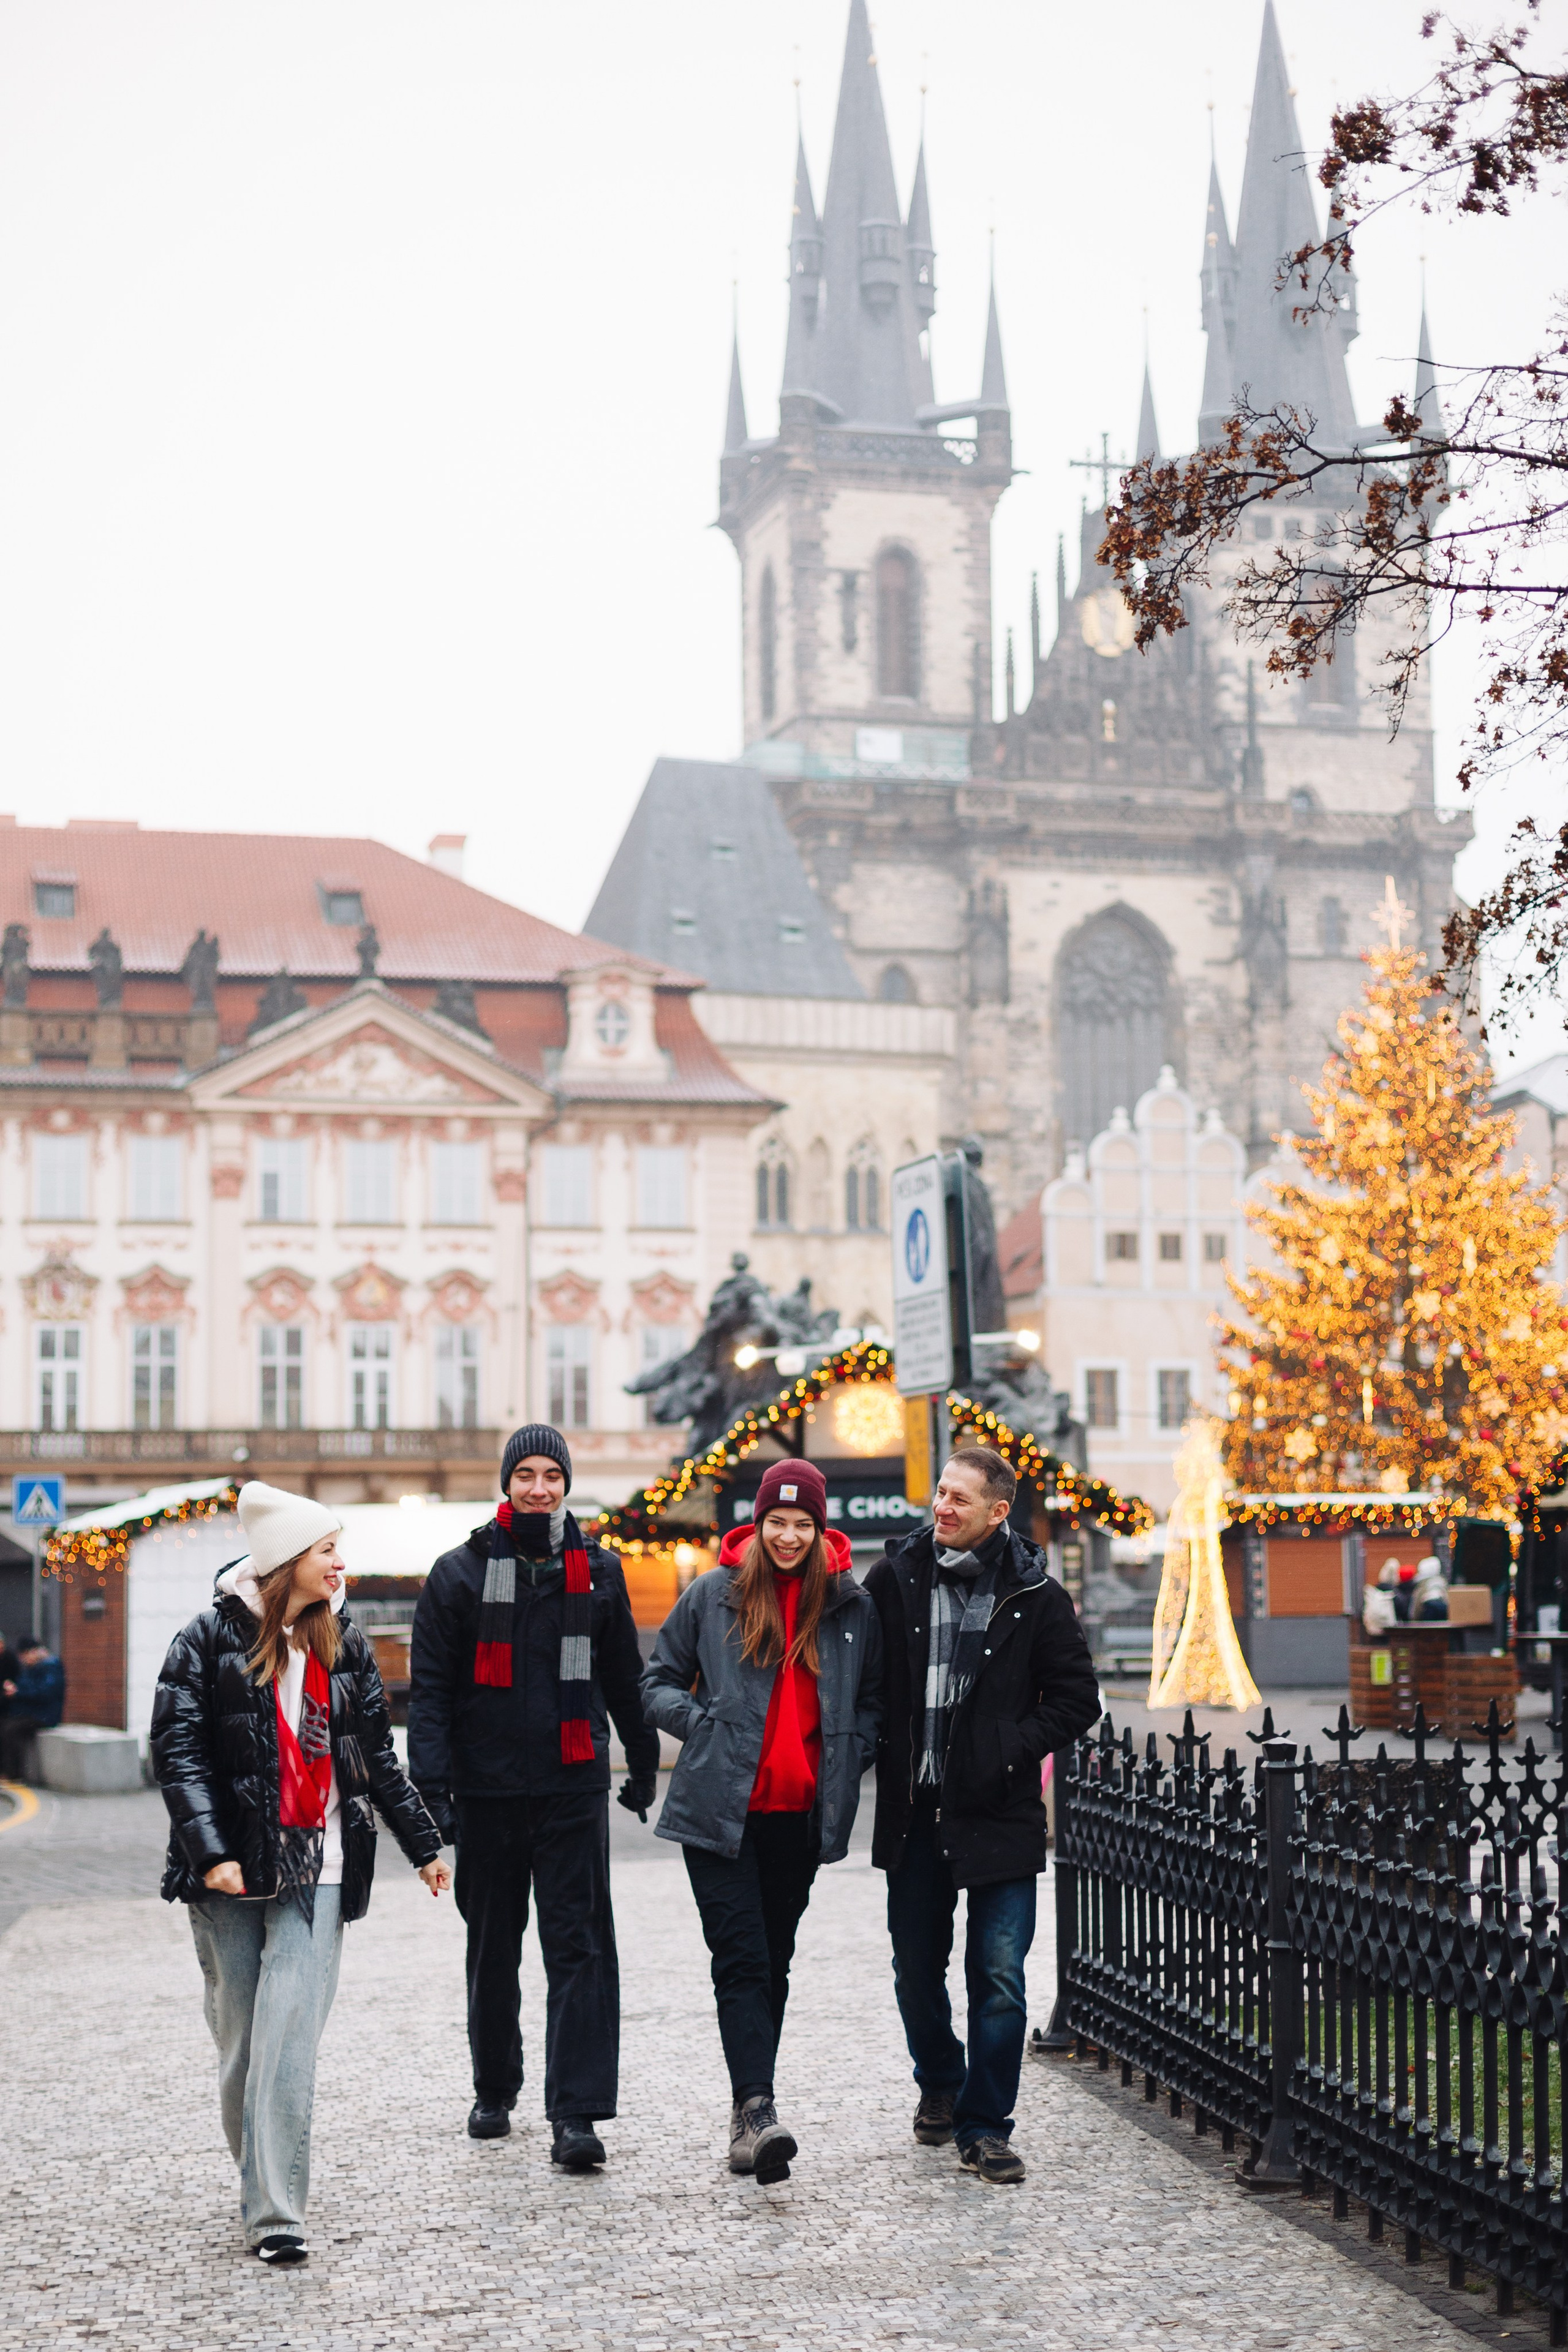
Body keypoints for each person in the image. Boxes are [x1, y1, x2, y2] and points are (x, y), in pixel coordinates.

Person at [151, 1480, 450, 2266]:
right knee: (243, 2045)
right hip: (228, 1870)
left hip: (320, 1860)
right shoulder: (205, 1641)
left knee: (288, 2042)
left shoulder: (344, 1643)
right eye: (327, 1549)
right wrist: (211, 1852)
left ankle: (276, 2213)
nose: (340, 1562)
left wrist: (425, 1846)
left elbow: (376, 1758)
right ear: (288, 1560)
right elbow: (178, 1754)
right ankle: (262, 2174)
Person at [408, 1424, 660, 2169]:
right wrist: (432, 1794)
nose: (539, 1487)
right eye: (526, 1474)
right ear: (507, 1482)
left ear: (567, 1483)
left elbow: (623, 1681)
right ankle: (495, 2086)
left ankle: (576, 2114)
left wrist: (641, 1762)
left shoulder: (600, 1573)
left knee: (579, 1950)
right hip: (485, 1790)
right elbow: (430, 1697)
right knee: (493, 1948)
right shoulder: (456, 1574)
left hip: (571, 1786)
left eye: (552, 1474)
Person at [641, 1459, 883, 2183]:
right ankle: (756, 2109)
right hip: (719, 1810)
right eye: (776, 1521)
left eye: (801, 1523)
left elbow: (870, 1702)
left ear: (819, 1529)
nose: (787, 1535)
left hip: (800, 1819)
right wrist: (701, 1723)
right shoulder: (713, 1595)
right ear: (757, 1523)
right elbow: (654, 1683)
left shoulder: (848, 1606)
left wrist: (853, 1754)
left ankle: (751, 2105)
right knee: (742, 1958)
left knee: (773, 1962)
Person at [865, 1444, 1100, 2186]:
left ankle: (985, 2126)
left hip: (999, 1812)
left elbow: (1076, 1700)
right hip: (915, 1812)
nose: (942, 1508)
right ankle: (940, 2080)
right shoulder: (893, 1578)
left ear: (998, 1513)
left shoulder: (1037, 1595)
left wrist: (1007, 1748)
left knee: (998, 1977)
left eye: (959, 1500)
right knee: (915, 1972)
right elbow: (860, 1678)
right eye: (940, 1493)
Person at [0, 1635, 65, 1781]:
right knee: (5, 1723)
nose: (23, 1660)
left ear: (33, 1652)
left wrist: (18, 1693)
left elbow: (45, 1693)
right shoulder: (32, 1668)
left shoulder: (51, 1667)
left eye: (24, 1656)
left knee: (11, 1729)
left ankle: (14, 1773)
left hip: (45, 1715)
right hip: (33, 1712)